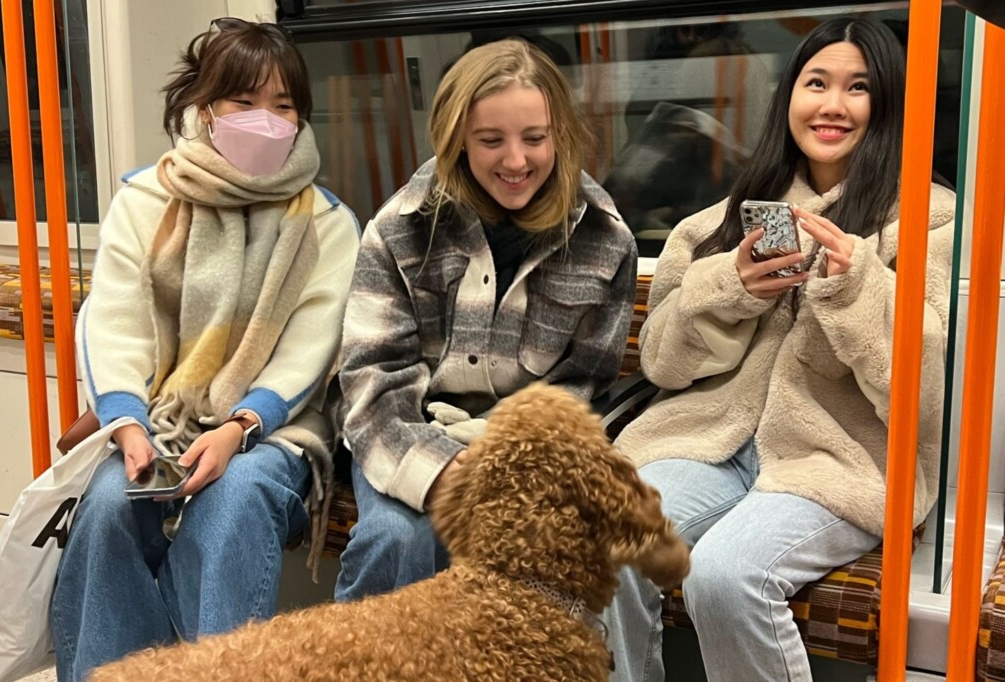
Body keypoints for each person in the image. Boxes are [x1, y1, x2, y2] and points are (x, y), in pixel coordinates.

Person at [604, 17, 955, 681]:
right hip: (705, 440)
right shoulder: (720, 220)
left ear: (888, 105)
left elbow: (926, 395)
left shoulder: (935, 224)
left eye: (858, 88)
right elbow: (662, 363)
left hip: (835, 459)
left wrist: (858, 291)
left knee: (726, 577)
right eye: (815, 82)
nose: (831, 104)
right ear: (788, 95)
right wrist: (730, 287)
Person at [51, 18, 359, 681]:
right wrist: (129, 422)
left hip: (273, 428)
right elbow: (116, 321)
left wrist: (239, 427)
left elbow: (311, 347)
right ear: (205, 106)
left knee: (232, 502)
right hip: (158, 417)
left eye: (284, 106)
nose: (266, 121)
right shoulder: (145, 198)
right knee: (107, 507)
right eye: (244, 102)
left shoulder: (328, 223)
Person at [335, 38, 638, 602]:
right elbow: (373, 381)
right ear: (458, 141)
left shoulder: (603, 239)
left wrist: (508, 462)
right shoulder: (398, 229)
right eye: (491, 141)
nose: (516, 161)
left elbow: (583, 385)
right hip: (408, 428)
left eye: (535, 139)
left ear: (560, 137)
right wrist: (446, 473)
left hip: (525, 446)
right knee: (395, 539)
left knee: (550, 549)